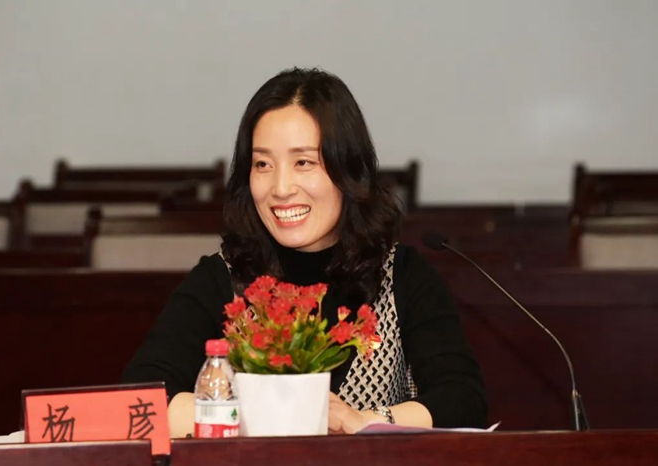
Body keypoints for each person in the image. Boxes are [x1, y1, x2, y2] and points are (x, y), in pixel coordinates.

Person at [121, 67, 488, 436]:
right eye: (263, 164)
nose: (281, 188)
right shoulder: (223, 278)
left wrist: (366, 421)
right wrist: (264, 414)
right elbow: (137, 402)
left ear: (348, 170)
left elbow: (464, 401)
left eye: (304, 163)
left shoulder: (401, 275)